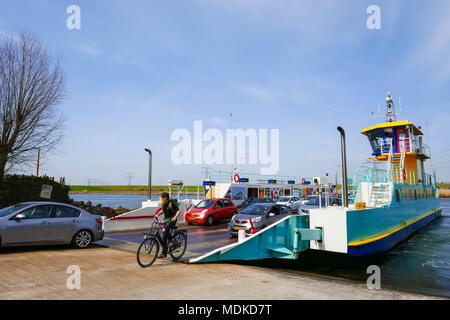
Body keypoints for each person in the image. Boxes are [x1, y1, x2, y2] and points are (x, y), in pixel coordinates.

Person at [154, 192, 180, 257]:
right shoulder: (163, 204)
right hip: (166, 220)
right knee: (164, 236)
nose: (162, 199)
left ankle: (172, 240)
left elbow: (178, 211)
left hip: (172, 220)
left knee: (165, 231)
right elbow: (163, 210)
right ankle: (164, 252)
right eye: (161, 197)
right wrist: (157, 214)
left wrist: (175, 217)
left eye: (163, 197)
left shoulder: (171, 204)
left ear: (167, 198)